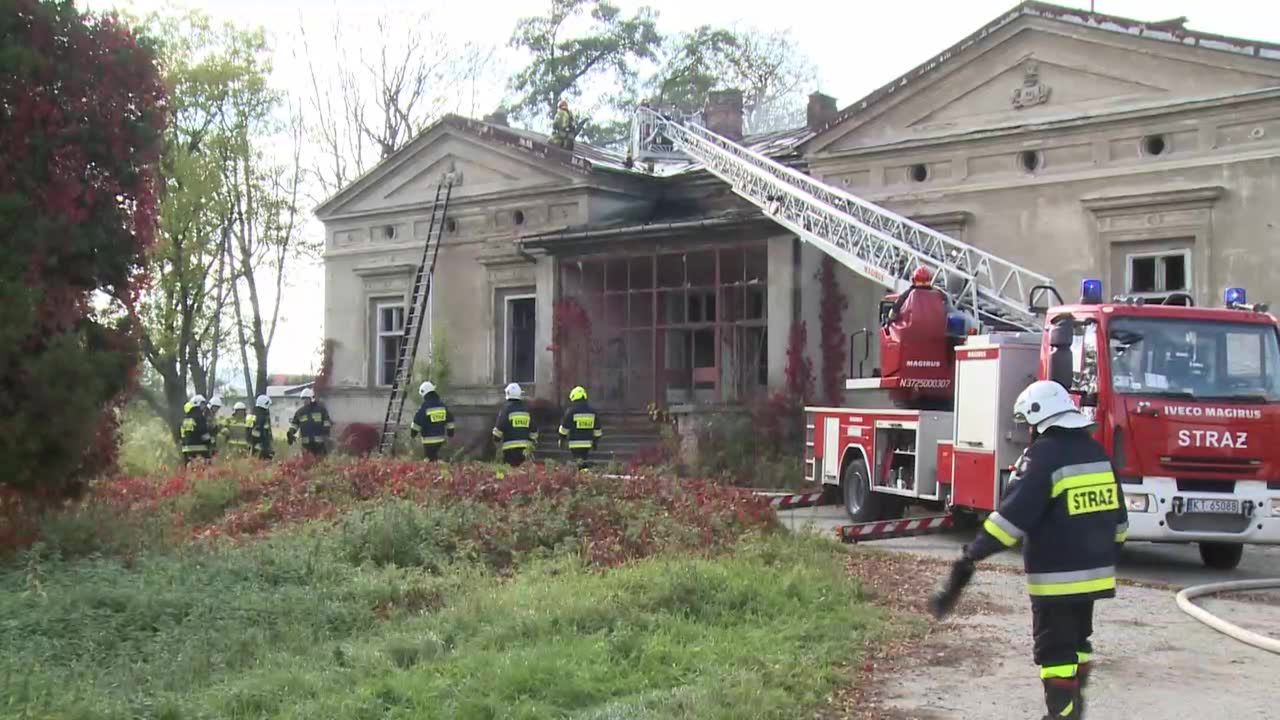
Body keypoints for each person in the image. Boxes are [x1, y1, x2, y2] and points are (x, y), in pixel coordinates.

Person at [929, 380, 1127, 720]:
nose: (1028, 432)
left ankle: (1061, 716)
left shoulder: (1043, 457)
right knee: (1077, 647)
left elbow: (1010, 520)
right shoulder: (1097, 454)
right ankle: (1073, 711)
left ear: (1040, 419)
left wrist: (972, 554)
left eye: (1029, 424)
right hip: (1094, 578)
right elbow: (1120, 524)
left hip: (1057, 581)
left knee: (1055, 655)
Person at [492, 382, 537, 467]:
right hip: (525, 450)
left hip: (510, 451)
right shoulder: (526, 410)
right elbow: (534, 430)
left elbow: (498, 431)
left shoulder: (506, 410)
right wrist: (532, 442)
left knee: (511, 475)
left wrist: (496, 440)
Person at [558, 385, 603, 468]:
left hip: (574, 443)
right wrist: (595, 442)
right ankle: (584, 474)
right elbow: (598, 430)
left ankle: (581, 476)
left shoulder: (571, 411)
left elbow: (564, 429)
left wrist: (562, 439)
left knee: (578, 462)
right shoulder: (592, 412)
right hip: (588, 443)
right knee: (583, 460)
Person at [410, 381, 455, 461]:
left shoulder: (424, 408)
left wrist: (413, 434)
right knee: (439, 461)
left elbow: (417, 423)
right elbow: (450, 421)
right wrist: (450, 433)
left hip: (428, 442)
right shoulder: (442, 406)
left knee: (429, 461)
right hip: (441, 441)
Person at [287, 387, 332, 457]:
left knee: (321, 463)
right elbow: (294, 425)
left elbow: (327, 422)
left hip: (319, 444)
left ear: (311, 399)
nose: (305, 401)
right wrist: (291, 433)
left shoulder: (321, 410)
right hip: (306, 445)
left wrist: (326, 431)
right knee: (307, 463)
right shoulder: (300, 412)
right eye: (303, 399)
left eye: (306, 399)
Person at [180, 394, 214, 465]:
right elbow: (203, 433)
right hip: (200, 448)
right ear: (198, 404)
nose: (204, 407)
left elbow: (182, 433)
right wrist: (210, 443)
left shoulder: (185, 418)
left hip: (186, 449)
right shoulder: (200, 417)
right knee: (202, 471)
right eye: (203, 404)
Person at [249, 394, 274, 460]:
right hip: (260, 449)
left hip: (257, 447)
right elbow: (258, 435)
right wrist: (266, 449)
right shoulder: (260, 417)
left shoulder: (254, 415)